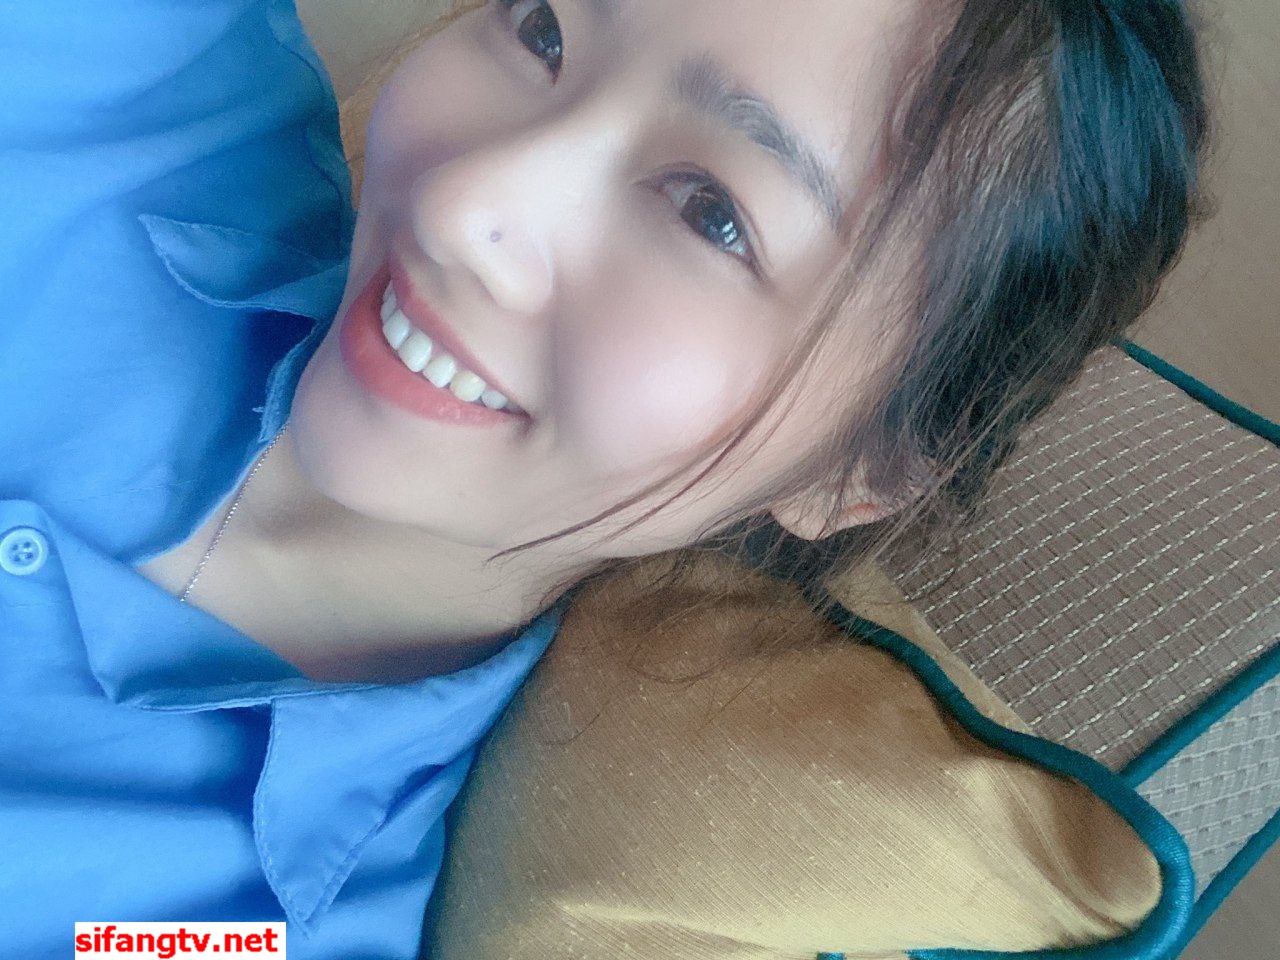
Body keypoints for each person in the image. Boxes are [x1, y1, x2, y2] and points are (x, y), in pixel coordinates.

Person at [0, 0, 1209, 956]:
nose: (465, 202)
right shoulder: (128, 77)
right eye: (543, 28)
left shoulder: (242, 924)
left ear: (859, 475)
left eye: (710, 214)